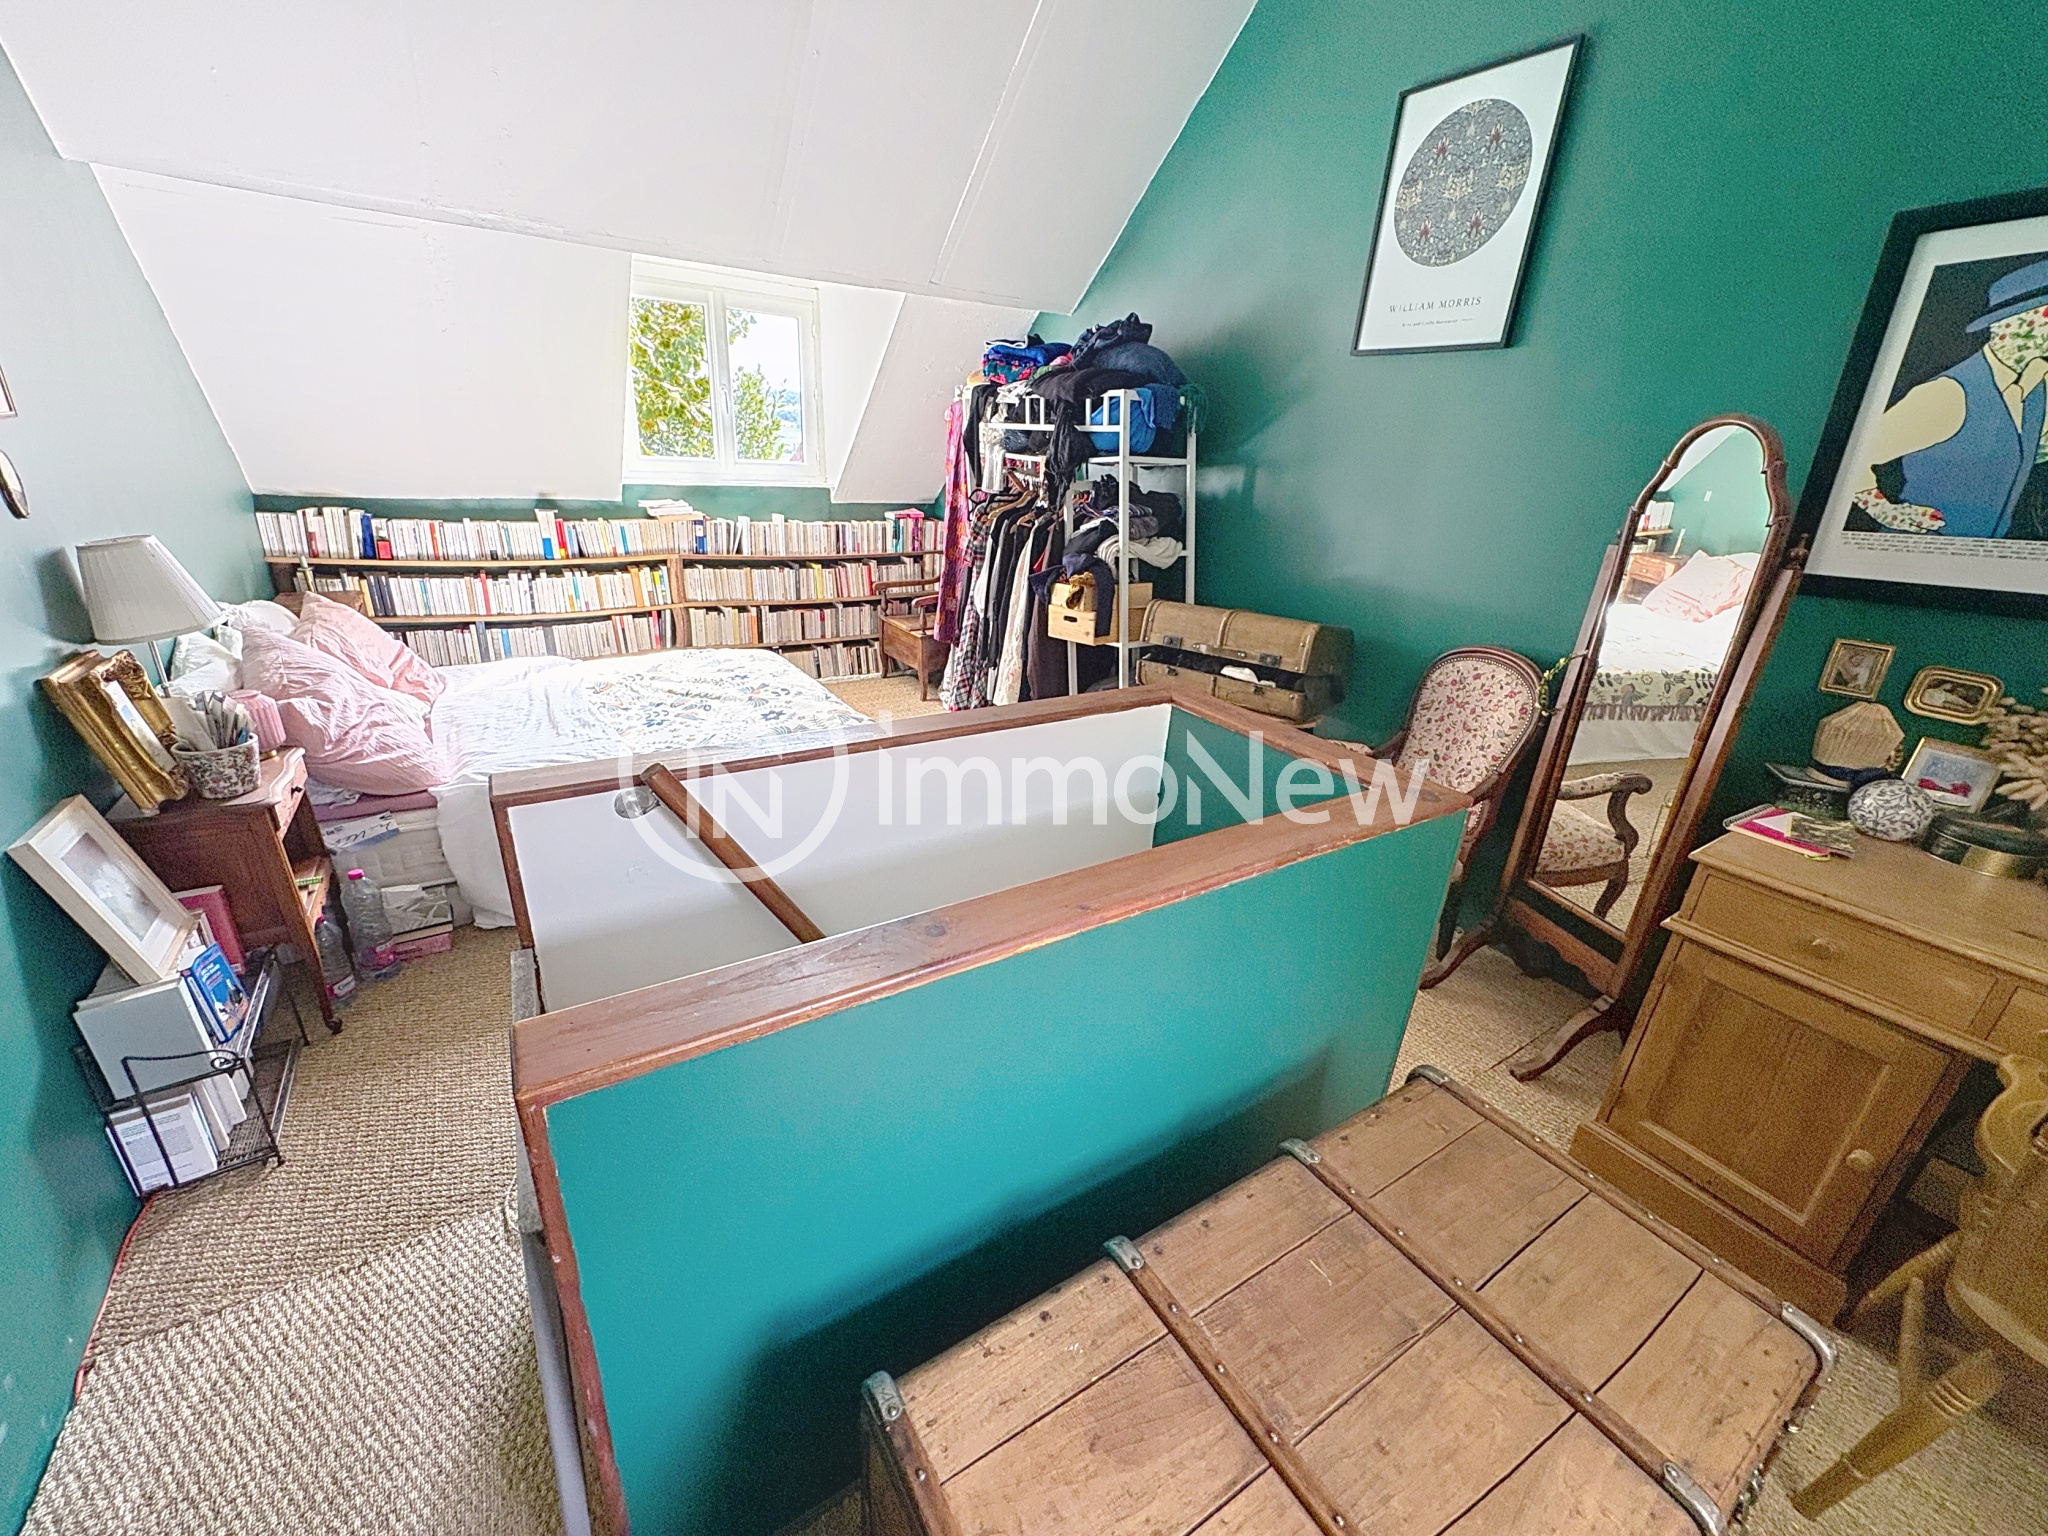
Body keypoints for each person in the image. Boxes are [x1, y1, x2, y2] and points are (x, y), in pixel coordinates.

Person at [1852, 259, 2048, 538]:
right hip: (1915, 551)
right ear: (2020, 323)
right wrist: (1886, 511)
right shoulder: (1948, 394)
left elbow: (2026, 454)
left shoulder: (2038, 387)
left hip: (1980, 555)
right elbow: (1853, 456)